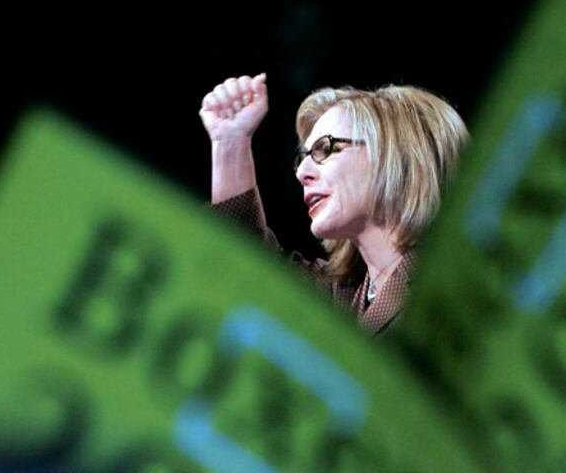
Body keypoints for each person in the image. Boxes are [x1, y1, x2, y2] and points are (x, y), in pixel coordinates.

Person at [200, 73, 469, 336]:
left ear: (396, 155)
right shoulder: (342, 296)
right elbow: (245, 265)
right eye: (304, 157)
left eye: (325, 149)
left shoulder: (452, 286)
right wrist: (230, 141)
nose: (301, 172)